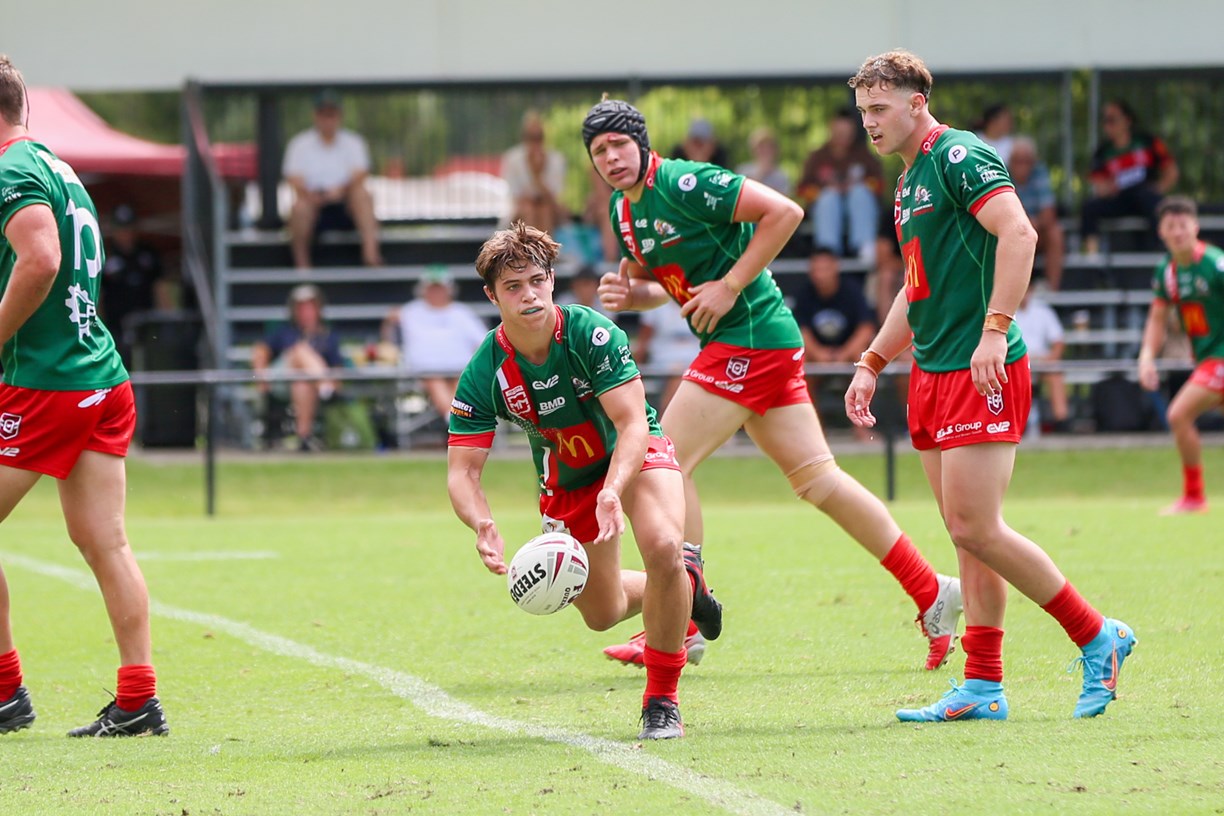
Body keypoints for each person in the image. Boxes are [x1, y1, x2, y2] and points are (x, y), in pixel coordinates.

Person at [584, 97, 961, 672]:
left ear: (643, 143)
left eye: (619, 144)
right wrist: (633, 296)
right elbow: (674, 284)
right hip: (751, 341)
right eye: (599, 151)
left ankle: (682, 617)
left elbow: (784, 212)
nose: (611, 157)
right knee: (819, 481)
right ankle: (934, 592)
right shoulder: (623, 213)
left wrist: (732, 285)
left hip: (751, 336)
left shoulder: (685, 181)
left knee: (658, 463)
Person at [844, 49, 1136, 723]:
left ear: (918, 103)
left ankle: (1099, 636)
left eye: (880, 109)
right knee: (964, 533)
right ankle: (982, 684)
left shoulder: (957, 156)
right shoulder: (908, 180)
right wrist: (872, 362)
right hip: (934, 372)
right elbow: (916, 291)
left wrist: (995, 330)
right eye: (863, 113)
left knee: (977, 523)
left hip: (983, 369)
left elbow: (1020, 233)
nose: (871, 124)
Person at [447, 222, 721, 740]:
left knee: (663, 546)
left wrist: (614, 490)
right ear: (492, 295)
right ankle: (687, 586)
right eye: (512, 287)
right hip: (567, 484)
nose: (528, 295)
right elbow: (462, 471)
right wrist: (480, 522)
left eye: (536, 281)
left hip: (632, 457)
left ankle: (661, 701)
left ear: (551, 280)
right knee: (602, 612)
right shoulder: (485, 369)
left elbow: (632, 424)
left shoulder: (591, 333)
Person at [0, 54, 168, 737]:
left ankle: (6, 693)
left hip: (50, 382)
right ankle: (138, 699)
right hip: (97, 375)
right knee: (105, 541)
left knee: (103, 541)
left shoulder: (11, 170)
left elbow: (40, 258)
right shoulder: (55, 166)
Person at [1138, 196, 1224, 515]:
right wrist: (1146, 356)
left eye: (1183, 225)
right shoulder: (1168, 273)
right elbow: (1157, 318)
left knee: (1178, 414)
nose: (1178, 232)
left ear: (1196, 227)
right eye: (1170, 226)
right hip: (1206, 359)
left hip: (1220, 358)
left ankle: (1194, 496)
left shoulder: (1215, 264)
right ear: (1161, 231)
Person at [282, 89, 382, 269]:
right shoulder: (299, 144)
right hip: (312, 203)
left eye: (332, 114)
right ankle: (302, 266)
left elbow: (360, 174)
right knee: (299, 208)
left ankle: (371, 256)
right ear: (315, 115)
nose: (328, 119)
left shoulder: (354, 142)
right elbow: (293, 178)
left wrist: (340, 191)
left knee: (363, 196)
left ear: (340, 116)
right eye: (323, 114)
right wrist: (311, 195)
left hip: (346, 203)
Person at [382, 267, 489, 419]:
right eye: (432, 289)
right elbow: (389, 335)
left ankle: (458, 420)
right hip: (426, 368)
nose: (436, 293)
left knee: (462, 382)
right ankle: (455, 420)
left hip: (460, 367)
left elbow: (481, 341)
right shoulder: (410, 311)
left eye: (440, 288)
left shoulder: (462, 312)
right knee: (435, 380)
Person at [251, 284, 345, 451]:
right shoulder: (284, 332)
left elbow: (338, 368)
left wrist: (335, 384)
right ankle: (325, 387)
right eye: (301, 308)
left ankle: (303, 437)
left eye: (310, 307)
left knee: (302, 382)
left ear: (318, 309)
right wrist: (260, 377)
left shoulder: (328, 336)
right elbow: (260, 351)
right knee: (299, 351)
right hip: (280, 381)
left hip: (304, 384)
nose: (305, 312)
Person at [1081, 99, 1178, 255]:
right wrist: (1110, 187)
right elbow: (1098, 186)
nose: (1108, 125)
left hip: (1145, 197)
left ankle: (1161, 252)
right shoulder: (1102, 152)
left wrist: (1159, 188)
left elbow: (1171, 170)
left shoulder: (1148, 142)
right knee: (1089, 207)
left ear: (1127, 120)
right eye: (1105, 120)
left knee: (1156, 204)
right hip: (1118, 199)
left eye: (1113, 119)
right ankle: (1093, 258)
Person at [797, 107, 885, 262]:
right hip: (827, 211)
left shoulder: (864, 155)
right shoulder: (817, 157)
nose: (843, 137)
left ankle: (865, 248)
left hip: (858, 210)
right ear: (831, 128)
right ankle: (827, 252)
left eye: (847, 133)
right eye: (839, 132)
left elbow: (879, 185)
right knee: (828, 198)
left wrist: (857, 186)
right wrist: (823, 191)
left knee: (860, 193)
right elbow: (802, 190)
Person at [99, 204, 171, 367]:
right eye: (121, 228)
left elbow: (160, 289)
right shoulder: (106, 257)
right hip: (116, 328)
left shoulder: (148, 255)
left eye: (129, 228)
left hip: (147, 326)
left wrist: (166, 322)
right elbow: (99, 297)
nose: (126, 234)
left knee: (151, 364)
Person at [794, 247, 875, 367]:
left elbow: (866, 328)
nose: (820, 275)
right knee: (801, 358)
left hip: (848, 349)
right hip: (818, 351)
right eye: (817, 270)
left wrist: (845, 353)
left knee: (862, 356)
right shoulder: (804, 294)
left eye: (825, 269)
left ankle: (863, 386)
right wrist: (818, 353)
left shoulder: (852, 291)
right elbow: (801, 330)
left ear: (836, 268)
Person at [1008, 136, 1065, 291]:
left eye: (1026, 161)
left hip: (1036, 231)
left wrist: (1029, 225)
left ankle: (1052, 289)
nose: (1022, 166)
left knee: (1055, 232)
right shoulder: (1001, 174)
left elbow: (1048, 213)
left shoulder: (1040, 173)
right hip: (1008, 234)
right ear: (1011, 162)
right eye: (1018, 161)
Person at [1014, 284, 1070, 432]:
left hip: (1041, 360)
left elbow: (1058, 341)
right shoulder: (1007, 312)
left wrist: (1051, 359)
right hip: (1016, 359)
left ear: (1031, 291)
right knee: (1010, 377)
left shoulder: (1043, 311)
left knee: (1055, 375)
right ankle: (1015, 422)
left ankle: (1061, 420)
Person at [501, 111, 567, 234]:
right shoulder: (512, 159)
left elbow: (553, 198)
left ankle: (545, 251)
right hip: (521, 212)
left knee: (545, 209)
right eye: (530, 137)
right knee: (529, 209)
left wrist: (537, 176)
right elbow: (516, 197)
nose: (535, 142)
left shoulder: (556, 159)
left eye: (539, 137)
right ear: (523, 137)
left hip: (549, 210)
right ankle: (531, 251)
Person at [633, 300, 702, 411]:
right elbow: (643, 341)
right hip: (663, 364)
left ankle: (665, 422)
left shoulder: (702, 302)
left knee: (681, 375)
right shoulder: (655, 304)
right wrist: (635, 370)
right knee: (678, 375)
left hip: (696, 364)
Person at [736, 127, 791, 195]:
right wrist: (761, 173)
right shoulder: (743, 171)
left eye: (769, 147)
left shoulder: (782, 176)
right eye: (761, 147)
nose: (765, 150)